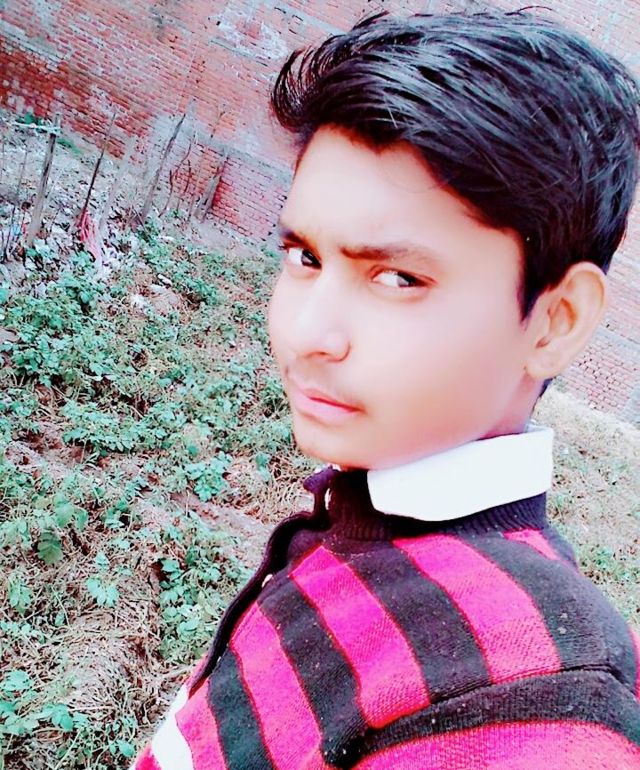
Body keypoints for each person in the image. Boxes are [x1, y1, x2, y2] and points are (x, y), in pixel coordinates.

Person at [131, 9, 640, 769]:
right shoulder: (365, 512)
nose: (308, 332)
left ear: (554, 321)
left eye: (398, 278)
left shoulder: (534, 706)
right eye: (304, 257)